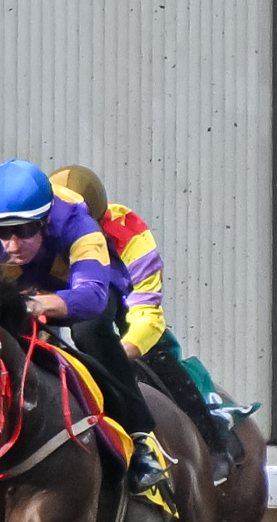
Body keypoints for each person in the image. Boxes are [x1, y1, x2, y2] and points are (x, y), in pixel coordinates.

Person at [0, 158, 165, 498]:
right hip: (30, 288)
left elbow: (90, 298)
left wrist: (39, 305)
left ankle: (140, 438)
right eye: (3, 233)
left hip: (88, 291)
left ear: (46, 221)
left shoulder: (80, 224)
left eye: (25, 231)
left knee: (90, 331)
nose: (13, 245)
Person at [49, 164, 233, 475]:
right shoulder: (34, 233)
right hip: (55, 294)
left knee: (152, 353)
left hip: (117, 296)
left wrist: (119, 353)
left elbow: (146, 313)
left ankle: (212, 446)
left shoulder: (130, 234)